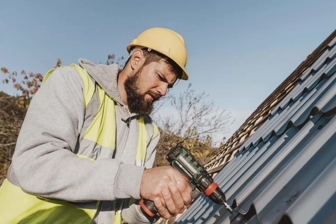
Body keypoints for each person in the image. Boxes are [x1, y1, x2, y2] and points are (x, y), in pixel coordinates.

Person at [0, 27, 193, 224]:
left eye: (169, 85)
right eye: (161, 77)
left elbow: (124, 210)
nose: (163, 91)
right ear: (136, 60)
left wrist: (150, 208)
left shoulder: (149, 131)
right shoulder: (74, 84)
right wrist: (138, 179)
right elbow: (34, 165)